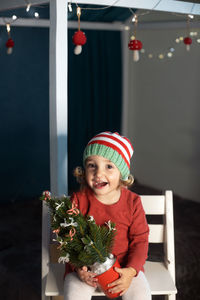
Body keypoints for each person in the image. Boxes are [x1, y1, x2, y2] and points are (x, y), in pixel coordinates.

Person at [64, 131, 151, 300]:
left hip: (125, 267)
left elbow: (140, 240)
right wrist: (79, 268)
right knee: (74, 294)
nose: (98, 173)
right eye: (92, 165)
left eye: (109, 166)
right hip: (86, 268)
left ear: (122, 174)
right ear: (84, 170)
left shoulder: (132, 202)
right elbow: (69, 239)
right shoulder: (79, 200)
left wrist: (131, 271)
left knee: (141, 295)